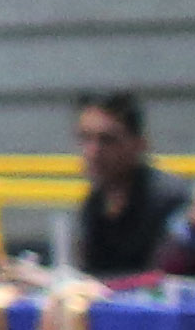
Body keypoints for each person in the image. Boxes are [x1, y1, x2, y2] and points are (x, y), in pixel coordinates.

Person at [77, 92, 187, 278]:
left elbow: (160, 278)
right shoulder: (94, 203)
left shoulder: (168, 200)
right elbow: (90, 273)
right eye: (85, 139)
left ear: (139, 144)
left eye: (107, 140)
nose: (93, 152)